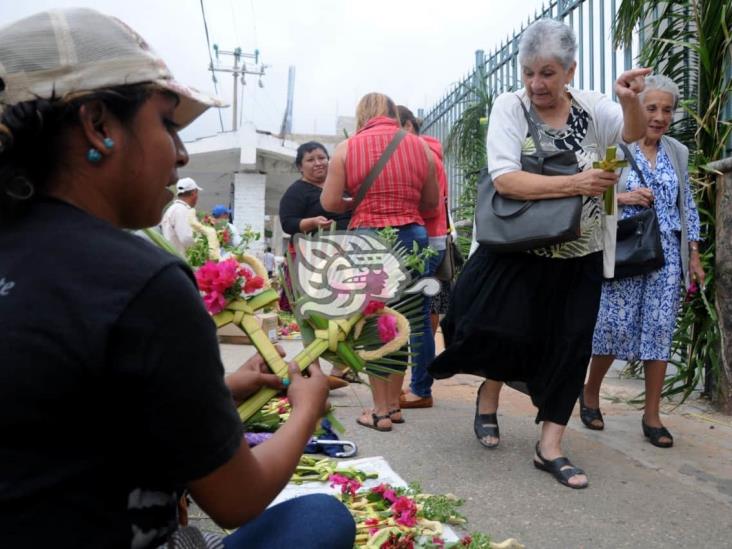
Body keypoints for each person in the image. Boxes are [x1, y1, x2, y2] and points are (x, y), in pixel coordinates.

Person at [0, 8, 355, 548]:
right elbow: (236, 500)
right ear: (98, 124)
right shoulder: (143, 281)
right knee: (323, 520)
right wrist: (306, 408)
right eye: (167, 123)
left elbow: (56, 416)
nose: (182, 153)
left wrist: (219, 390)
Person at [428, 18, 650, 488]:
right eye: (529, 72)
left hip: (582, 249)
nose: (536, 84)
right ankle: (488, 394)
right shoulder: (511, 107)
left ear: (569, 71)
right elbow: (506, 178)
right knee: (493, 328)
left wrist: (631, 102)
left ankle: (549, 446)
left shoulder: (592, 106)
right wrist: (576, 183)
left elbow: (627, 135)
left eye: (547, 73)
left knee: (571, 346)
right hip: (521, 248)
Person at [583, 75, 704, 448]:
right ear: (637, 108)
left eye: (666, 110)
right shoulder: (614, 147)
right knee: (612, 327)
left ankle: (652, 415)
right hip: (626, 251)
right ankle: (590, 392)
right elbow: (590, 196)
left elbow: (688, 205)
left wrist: (694, 254)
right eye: (651, 108)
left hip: (666, 256)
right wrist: (624, 198)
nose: (659, 116)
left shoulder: (676, 152)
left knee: (658, 333)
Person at [321, 92, 439, 431]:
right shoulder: (419, 146)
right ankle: (394, 406)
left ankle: (379, 411)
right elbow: (431, 203)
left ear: (362, 115)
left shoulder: (348, 148)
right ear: (391, 113)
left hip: (368, 239)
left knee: (374, 322)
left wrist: (356, 203)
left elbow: (329, 203)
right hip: (412, 237)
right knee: (405, 321)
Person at [278, 141, 355, 387]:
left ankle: (341, 367)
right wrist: (311, 222)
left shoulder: (340, 185)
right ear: (300, 167)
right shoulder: (296, 192)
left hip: (346, 259)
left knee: (347, 312)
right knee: (312, 315)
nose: (318, 163)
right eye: (311, 159)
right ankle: (314, 370)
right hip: (311, 262)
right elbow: (288, 223)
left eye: (322, 157)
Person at [396, 105, 449, 410]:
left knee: (416, 316)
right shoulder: (427, 152)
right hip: (431, 238)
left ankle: (420, 388)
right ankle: (417, 385)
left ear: (407, 125)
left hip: (424, 238)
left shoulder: (422, 155)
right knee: (420, 315)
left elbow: (428, 204)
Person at [161, 176, 202, 255]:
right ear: (194, 193)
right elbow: (187, 238)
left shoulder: (175, 209)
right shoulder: (181, 210)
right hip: (182, 259)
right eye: (197, 193)